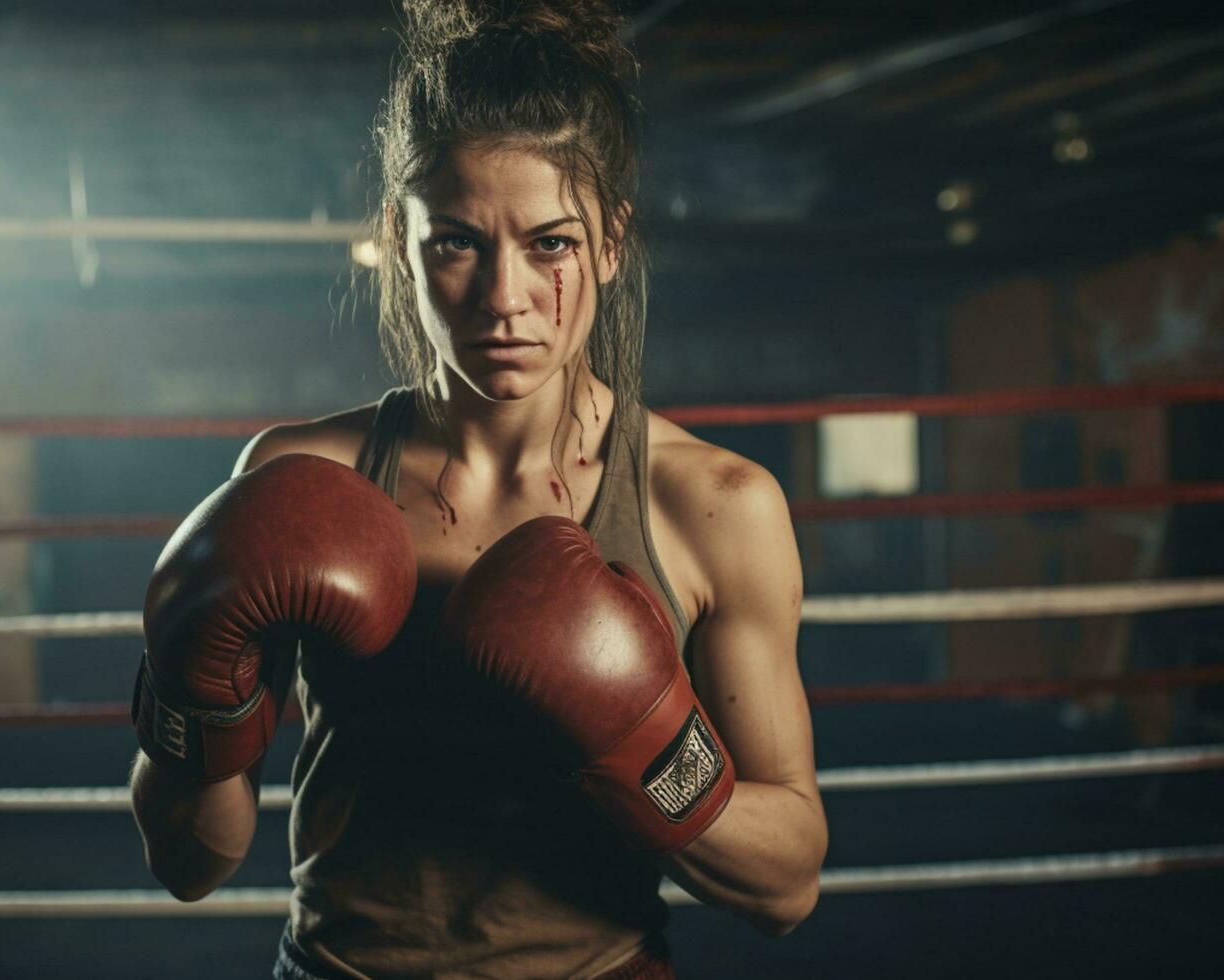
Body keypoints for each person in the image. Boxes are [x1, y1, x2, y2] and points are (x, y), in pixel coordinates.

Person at [129, 1, 827, 976]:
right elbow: (190, 860)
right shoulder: (305, 476)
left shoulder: (711, 505)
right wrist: (191, 692)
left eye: (551, 243)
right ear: (400, 241)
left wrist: (646, 739)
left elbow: (788, 883)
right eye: (457, 241)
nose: (505, 299)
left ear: (612, 242)